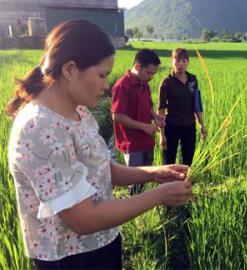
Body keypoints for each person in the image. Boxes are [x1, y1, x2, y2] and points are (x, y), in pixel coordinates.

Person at [6, 20, 192, 270]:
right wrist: (160, 195)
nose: (106, 86)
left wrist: (154, 173)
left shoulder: (79, 111)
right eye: (102, 75)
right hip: (69, 259)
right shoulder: (40, 128)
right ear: (70, 69)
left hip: (103, 242)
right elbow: (84, 219)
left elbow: (101, 168)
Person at [112, 49, 164, 195]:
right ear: (137, 66)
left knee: (146, 178)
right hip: (132, 143)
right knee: (134, 180)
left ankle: (141, 209)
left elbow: (147, 106)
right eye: (149, 73)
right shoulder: (123, 85)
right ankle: (133, 213)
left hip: (147, 140)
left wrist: (154, 116)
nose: (151, 77)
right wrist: (144, 126)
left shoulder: (144, 84)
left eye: (154, 73)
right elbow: (117, 116)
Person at [158, 48, 207, 166]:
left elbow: (196, 104)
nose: (181, 64)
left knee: (188, 161)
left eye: (184, 61)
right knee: (169, 161)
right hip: (172, 126)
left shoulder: (192, 79)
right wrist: (162, 134)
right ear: (172, 61)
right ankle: (169, 184)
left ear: (188, 62)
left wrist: (201, 125)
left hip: (189, 125)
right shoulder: (167, 82)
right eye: (178, 61)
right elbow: (161, 109)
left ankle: (183, 183)